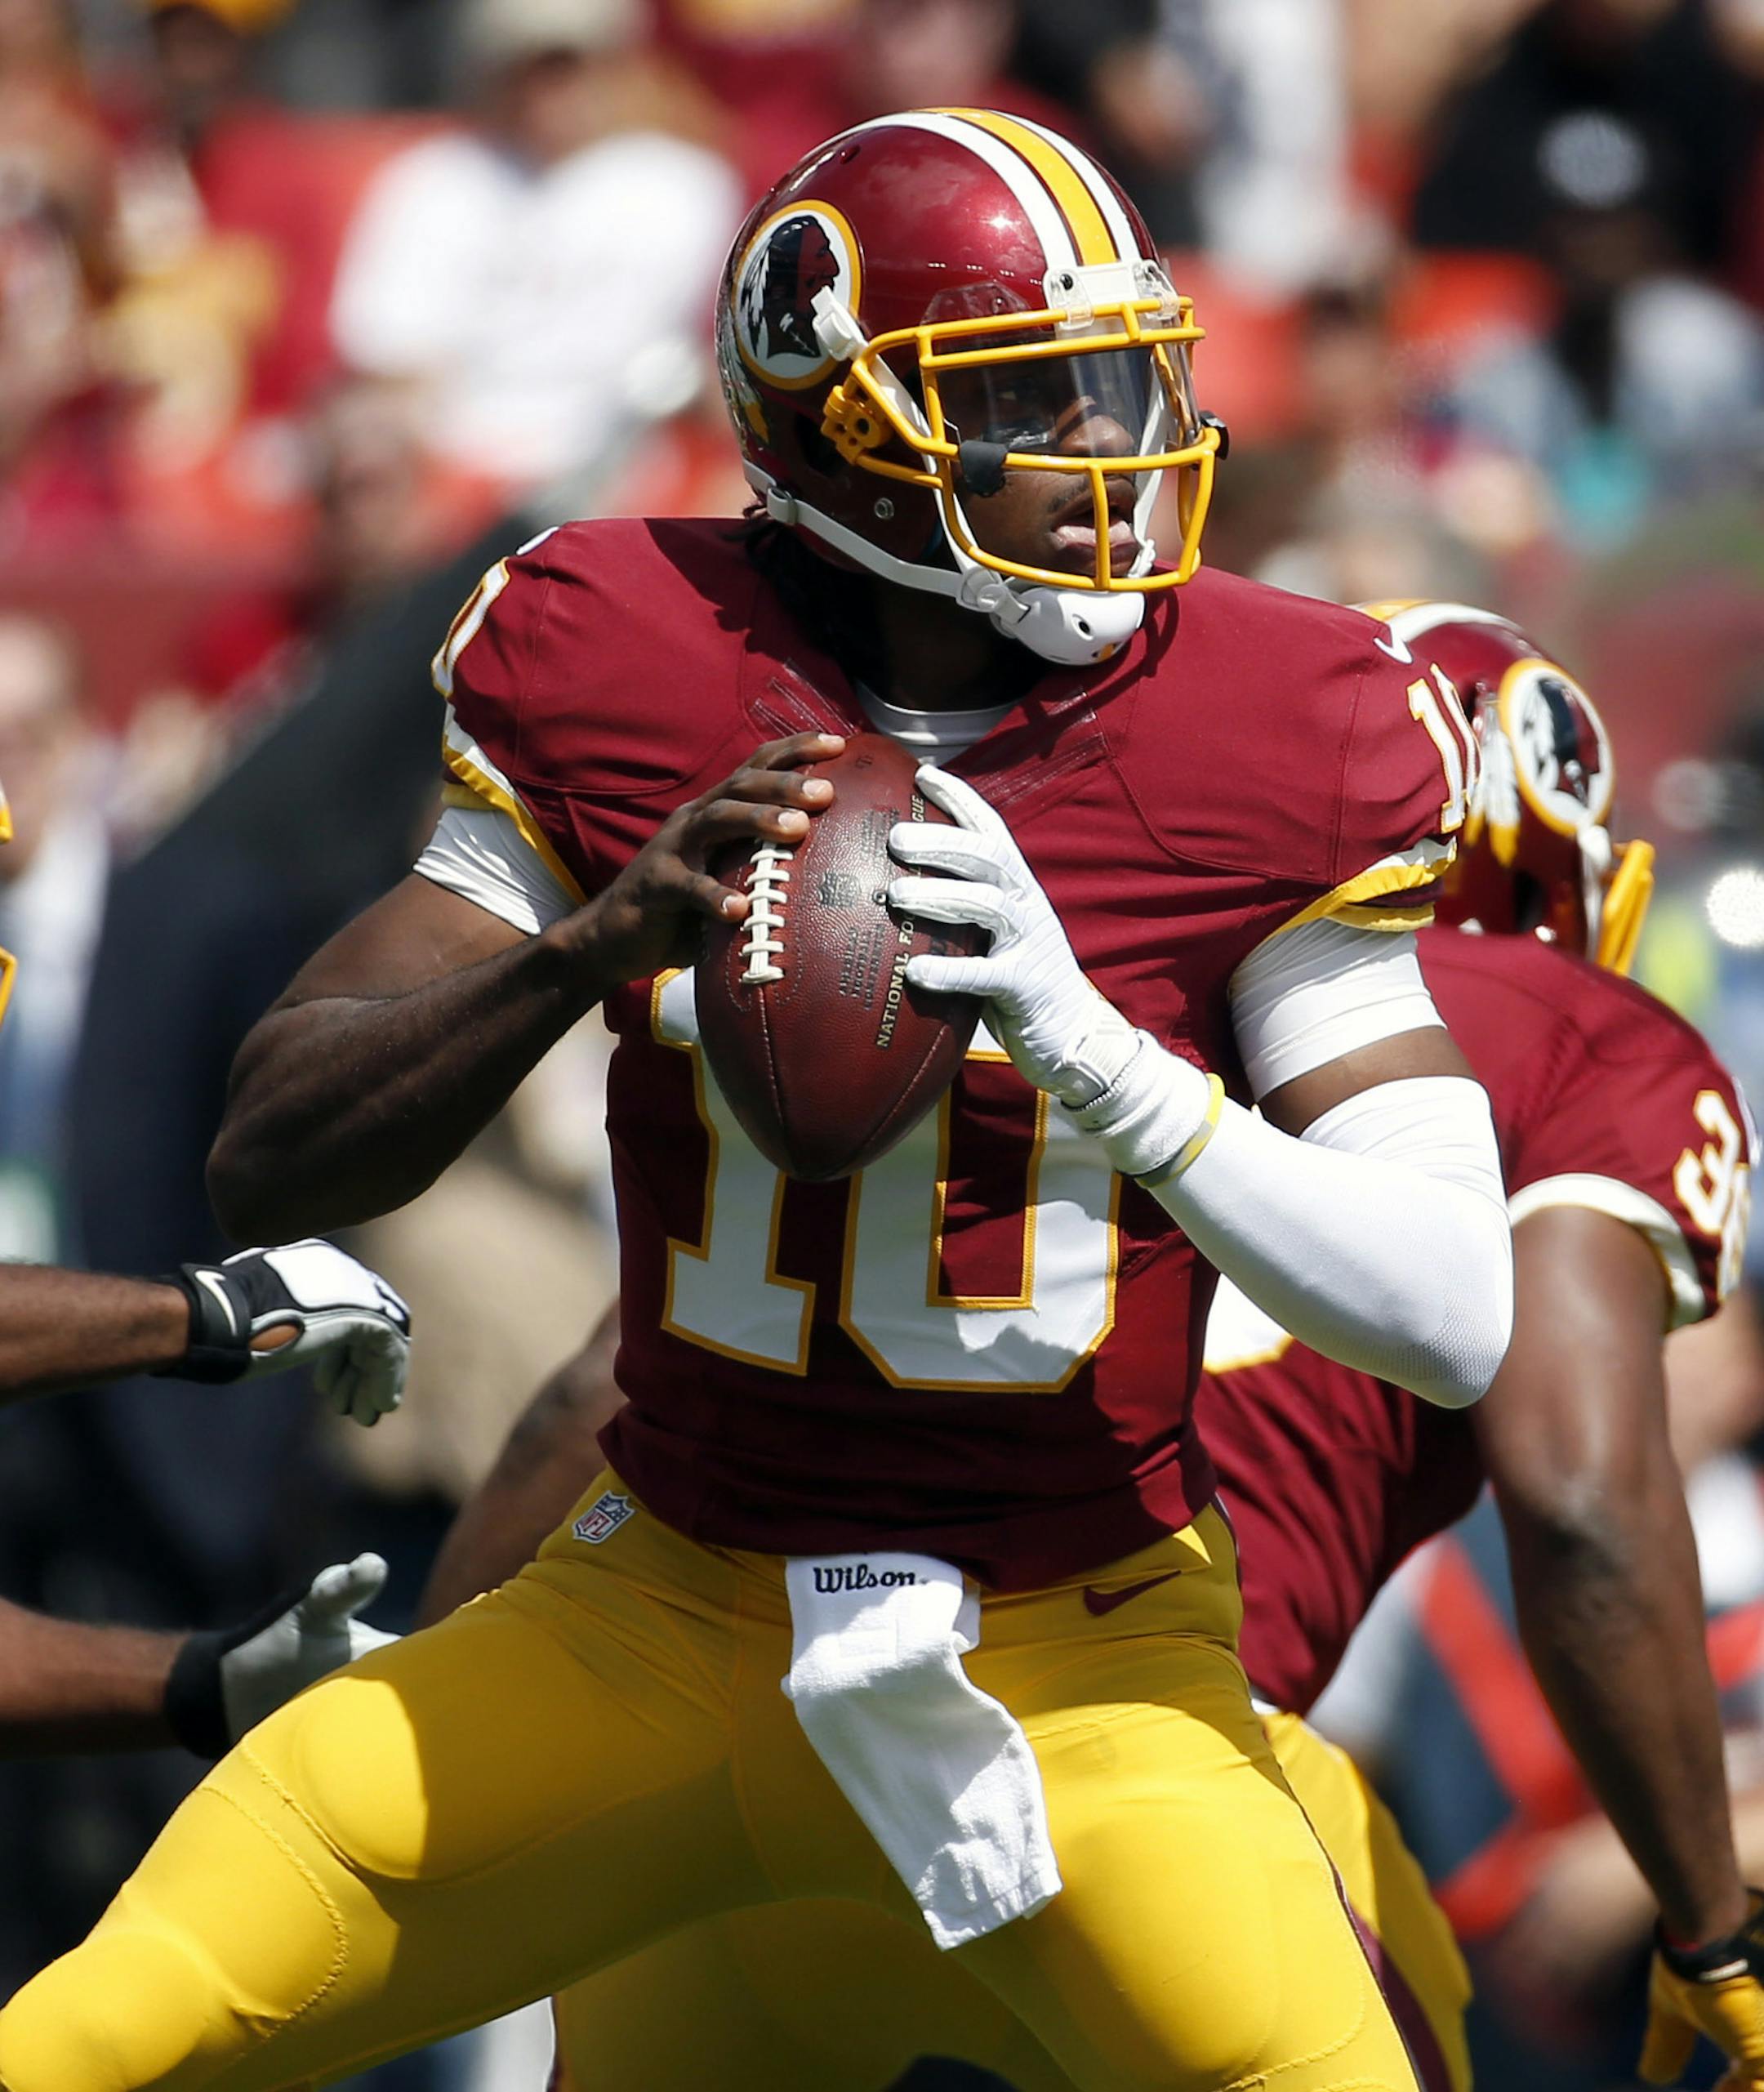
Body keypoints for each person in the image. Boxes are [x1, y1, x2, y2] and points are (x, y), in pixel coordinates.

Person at [0, 113, 1517, 2091]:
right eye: (1031, 398)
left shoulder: (1276, 722)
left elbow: (1448, 1310)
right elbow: (274, 1145)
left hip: (1087, 1657)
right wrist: (579, 948)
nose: (1111, 450)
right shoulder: (627, 653)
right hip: (656, 1615)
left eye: (1123, 377)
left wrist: (1106, 1061)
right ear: (847, 431)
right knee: (93, 2038)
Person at [426, 603, 1762, 2092]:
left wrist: (438, 1739)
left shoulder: (1051, 974)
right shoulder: (1568, 1042)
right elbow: (1578, 1501)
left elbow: (604, 1390)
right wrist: (1715, 1929)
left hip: (767, 1728)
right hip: (1136, 1764)